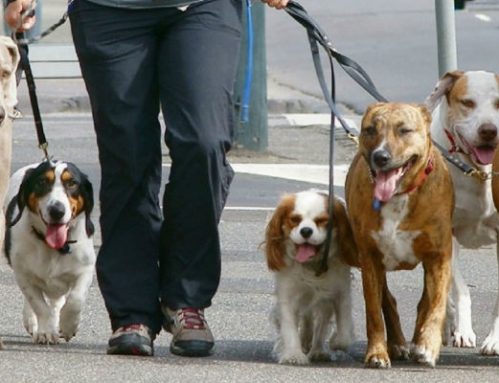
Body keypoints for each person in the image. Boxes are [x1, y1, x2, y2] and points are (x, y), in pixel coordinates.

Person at [5, 0, 289, 357]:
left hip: (203, 7)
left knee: (204, 142)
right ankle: (132, 311)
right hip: (107, 10)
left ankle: (186, 300)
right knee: (127, 153)